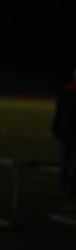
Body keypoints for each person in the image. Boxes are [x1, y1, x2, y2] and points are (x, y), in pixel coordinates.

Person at [51, 67, 76, 196]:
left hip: (66, 130)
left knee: (66, 160)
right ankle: (67, 187)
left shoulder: (66, 91)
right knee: (68, 161)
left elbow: (59, 109)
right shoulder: (68, 91)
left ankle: (65, 187)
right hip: (69, 131)